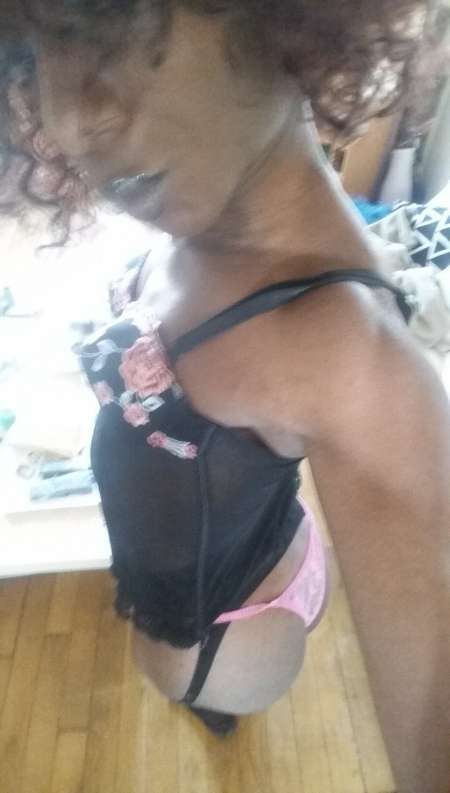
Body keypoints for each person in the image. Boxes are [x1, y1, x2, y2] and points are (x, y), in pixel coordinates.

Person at [1, 3, 449, 792]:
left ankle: (217, 710)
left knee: (202, 705)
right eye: (36, 57)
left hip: (231, 642)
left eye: (112, 23)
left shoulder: (348, 351)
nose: (69, 118)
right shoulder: (204, 208)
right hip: (263, 552)